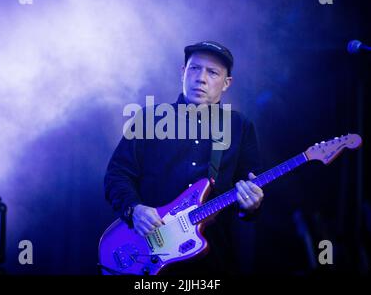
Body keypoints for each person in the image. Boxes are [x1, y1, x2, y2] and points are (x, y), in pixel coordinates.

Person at [104, 41, 264, 275]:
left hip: (210, 260)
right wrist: (134, 209)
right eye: (195, 69)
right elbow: (117, 175)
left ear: (226, 83)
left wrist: (251, 205)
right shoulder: (151, 118)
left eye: (212, 72)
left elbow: (248, 191)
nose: (201, 78)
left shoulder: (239, 127)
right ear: (183, 73)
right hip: (147, 254)